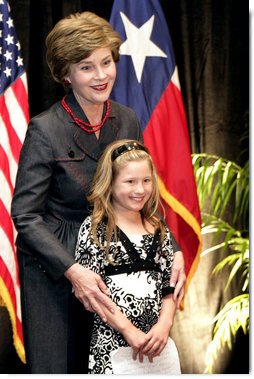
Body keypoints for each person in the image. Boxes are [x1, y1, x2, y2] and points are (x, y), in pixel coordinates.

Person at [11, 11, 185, 374]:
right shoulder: (44, 129)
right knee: (59, 367)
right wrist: (73, 271)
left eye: (106, 62)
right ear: (66, 75)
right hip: (54, 267)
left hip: (113, 259)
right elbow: (25, 215)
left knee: (113, 366)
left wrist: (176, 250)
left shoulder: (127, 119)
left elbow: (139, 193)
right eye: (87, 67)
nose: (102, 74)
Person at [74, 139, 181, 374]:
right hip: (112, 349)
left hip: (158, 348)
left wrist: (165, 325)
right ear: (110, 183)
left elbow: (170, 285)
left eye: (146, 180)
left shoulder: (158, 228)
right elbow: (93, 294)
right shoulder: (94, 229)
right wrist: (128, 330)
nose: (140, 189)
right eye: (130, 181)